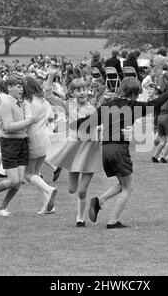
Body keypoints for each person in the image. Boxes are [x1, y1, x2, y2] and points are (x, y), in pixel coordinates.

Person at [75, 77, 168, 229]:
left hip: (106, 150)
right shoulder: (132, 106)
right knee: (128, 187)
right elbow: (154, 104)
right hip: (119, 149)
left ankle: (99, 201)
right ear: (134, 94)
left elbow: (86, 123)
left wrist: (71, 124)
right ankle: (112, 221)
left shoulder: (107, 106)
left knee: (122, 183)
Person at [0, 75, 48, 217]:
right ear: (9, 88)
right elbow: (9, 126)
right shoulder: (6, 103)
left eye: (22, 86)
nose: (21, 89)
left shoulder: (20, 102)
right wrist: (28, 122)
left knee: (18, 182)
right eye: (18, 86)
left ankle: (2, 208)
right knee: (14, 180)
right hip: (10, 144)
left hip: (22, 143)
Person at [45, 70, 102, 227]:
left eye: (84, 89)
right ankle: (66, 168)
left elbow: (99, 124)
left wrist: (99, 130)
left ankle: (80, 218)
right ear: (72, 92)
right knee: (72, 189)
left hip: (90, 149)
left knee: (82, 191)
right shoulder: (68, 105)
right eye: (78, 90)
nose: (82, 92)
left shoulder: (93, 107)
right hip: (74, 150)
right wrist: (51, 76)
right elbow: (48, 96)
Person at [22, 76, 58, 215]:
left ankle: (49, 189)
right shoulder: (42, 100)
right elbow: (50, 118)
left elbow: (28, 121)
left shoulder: (28, 102)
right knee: (36, 174)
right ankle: (48, 206)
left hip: (33, 138)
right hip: (45, 138)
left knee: (27, 174)